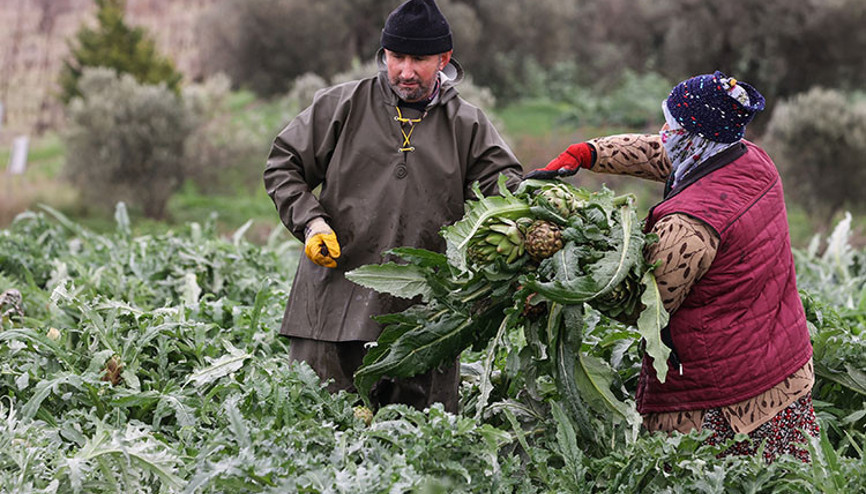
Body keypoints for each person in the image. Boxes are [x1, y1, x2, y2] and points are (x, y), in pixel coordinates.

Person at [526, 71, 817, 462]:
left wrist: (564, 273)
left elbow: (642, 307)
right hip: (784, 368)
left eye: (673, 126)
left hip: (720, 403)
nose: (665, 132)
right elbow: (662, 153)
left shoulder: (687, 227)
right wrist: (588, 153)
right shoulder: (750, 160)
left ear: (696, 139)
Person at [263, 0, 522, 413]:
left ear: (444, 59)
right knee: (316, 434)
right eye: (396, 57)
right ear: (383, 55)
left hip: (423, 321)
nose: (405, 71)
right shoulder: (341, 106)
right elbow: (283, 166)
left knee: (420, 451)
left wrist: (539, 201)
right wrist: (310, 222)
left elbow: (506, 192)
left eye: (419, 59)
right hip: (331, 304)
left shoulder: (467, 125)